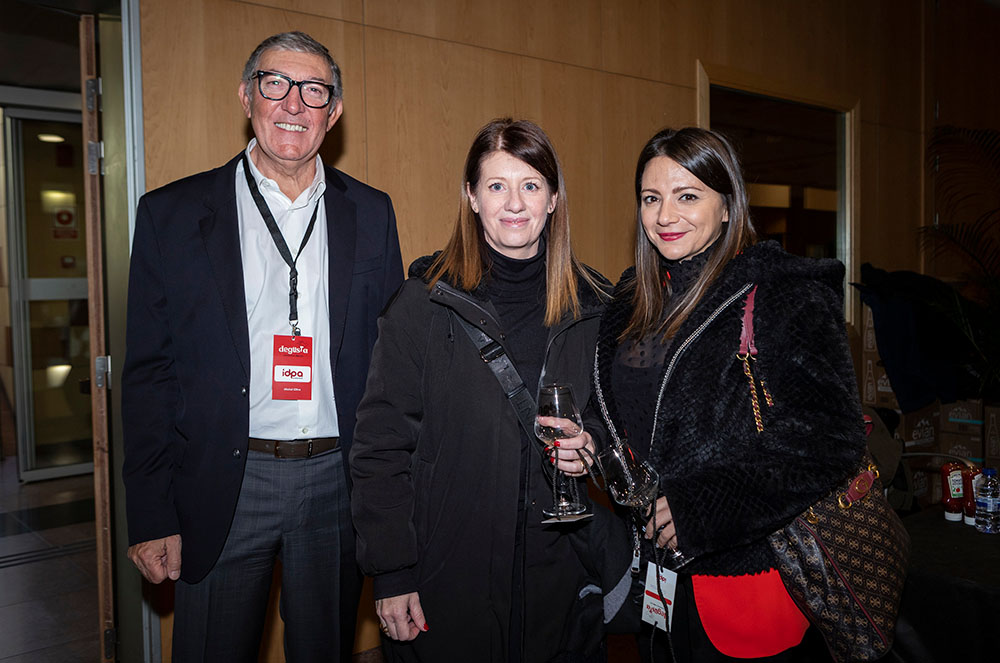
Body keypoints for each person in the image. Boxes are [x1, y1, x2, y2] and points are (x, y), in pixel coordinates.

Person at [121, 31, 403, 662]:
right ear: (246, 97)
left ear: (334, 112)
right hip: (223, 480)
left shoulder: (372, 213)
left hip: (336, 482)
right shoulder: (172, 214)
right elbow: (148, 376)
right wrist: (151, 512)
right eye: (276, 84)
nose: (293, 104)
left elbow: (391, 366)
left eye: (313, 91)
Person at [590, 127, 865, 662]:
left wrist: (701, 508)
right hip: (658, 575)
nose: (665, 215)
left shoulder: (783, 293)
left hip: (744, 582)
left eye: (687, 195)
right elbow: (625, 411)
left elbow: (830, 443)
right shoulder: (634, 300)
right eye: (651, 198)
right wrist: (592, 440)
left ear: (727, 206)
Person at [349, 118, 610, 662]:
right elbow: (380, 446)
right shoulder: (423, 303)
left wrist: (593, 448)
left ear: (553, 199)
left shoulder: (594, 307)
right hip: (449, 578)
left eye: (531, 185)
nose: (514, 203)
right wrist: (392, 571)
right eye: (496, 185)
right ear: (471, 197)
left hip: (560, 576)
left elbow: (616, 422)